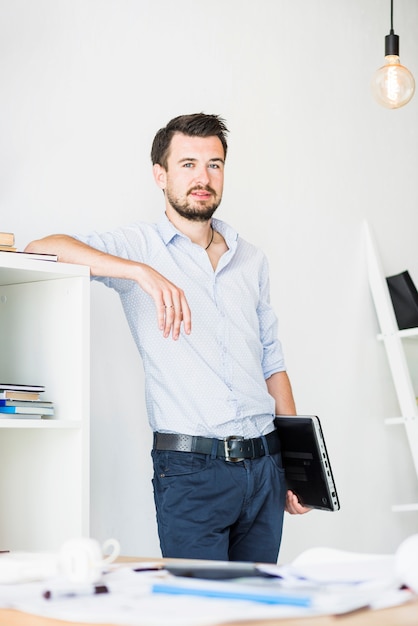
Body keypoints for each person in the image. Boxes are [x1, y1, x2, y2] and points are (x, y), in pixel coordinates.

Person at [25, 113, 310, 563]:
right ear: (160, 174)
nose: (203, 177)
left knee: (258, 610)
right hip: (192, 471)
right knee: (197, 610)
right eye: (188, 164)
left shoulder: (251, 259)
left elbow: (273, 364)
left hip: (266, 467)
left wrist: (297, 463)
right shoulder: (139, 247)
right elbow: (41, 247)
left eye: (214, 165)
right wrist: (139, 272)